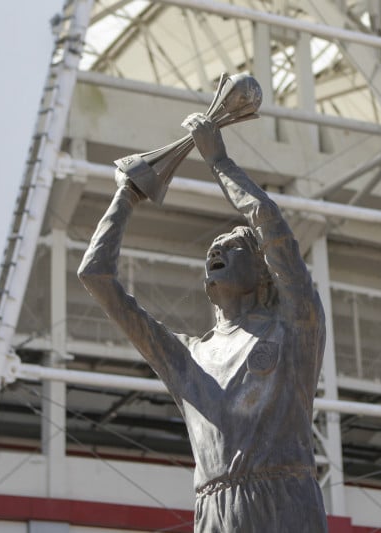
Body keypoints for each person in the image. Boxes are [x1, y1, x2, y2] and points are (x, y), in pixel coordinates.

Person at [78, 113, 328, 532]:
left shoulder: (294, 327)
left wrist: (219, 162)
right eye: (212, 250)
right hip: (214, 509)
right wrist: (126, 197)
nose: (216, 252)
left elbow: (270, 225)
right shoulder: (187, 357)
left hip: (284, 502)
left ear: (264, 271)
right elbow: (95, 277)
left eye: (233, 247)